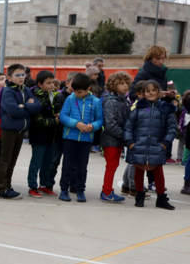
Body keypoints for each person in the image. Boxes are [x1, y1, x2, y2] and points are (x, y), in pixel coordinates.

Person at [124, 80, 176, 210]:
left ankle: (161, 198)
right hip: (139, 145)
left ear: (159, 92)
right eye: (148, 91)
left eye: (154, 90)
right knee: (139, 170)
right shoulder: (138, 107)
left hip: (157, 145)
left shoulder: (165, 108)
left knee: (158, 171)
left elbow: (172, 128)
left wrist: (165, 143)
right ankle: (139, 196)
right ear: (143, 93)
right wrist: (130, 143)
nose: (151, 93)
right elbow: (129, 127)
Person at [0, 63, 41, 199]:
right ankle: (2, 188)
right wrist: (28, 106)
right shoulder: (7, 91)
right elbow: (13, 110)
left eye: (23, 74)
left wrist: (24, 106)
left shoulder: (25, 89)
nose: (22, 77)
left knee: (13, 160)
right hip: (9, 130)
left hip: (20, 131)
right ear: (9, 77)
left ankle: (8, 185)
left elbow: (37, 106)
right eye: (18, 75)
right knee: (6, 159)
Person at [57, 73, 102, 203]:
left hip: (86, 139)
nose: (77, 94)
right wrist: (76, 124)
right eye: (75, 91)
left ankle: (80, 190)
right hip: (70, 138)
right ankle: (64, 189)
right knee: (67, 165)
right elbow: (63, 116)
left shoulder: (96, 102)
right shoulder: (70, 99)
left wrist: (92, 126)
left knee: (82, 166)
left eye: (80, 92)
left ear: (88, 89)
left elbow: (99, 120)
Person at [99, 71, 133, 203]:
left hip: (118, 139)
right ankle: (106, 191)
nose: (125, 86)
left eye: (126, 83)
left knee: (114, 165)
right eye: (121, 84)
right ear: (113, 85)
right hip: (111, 139)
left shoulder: (124, 100)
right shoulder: (111, 101)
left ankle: (107, 189)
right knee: (111, 165)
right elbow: (110, 124)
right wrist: (125, 136)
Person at [26, 70, 60, 198]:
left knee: (48, 162)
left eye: (53, 82)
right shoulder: (34, 97)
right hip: (38, 134)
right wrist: (55, 120)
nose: (52, 85)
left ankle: (45, 185)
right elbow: (37, 120)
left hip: (51, 135)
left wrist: (58, 114)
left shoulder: (53, 95)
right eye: (48, 83)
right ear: (40, 84)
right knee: (37, 161)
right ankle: (32, 186)